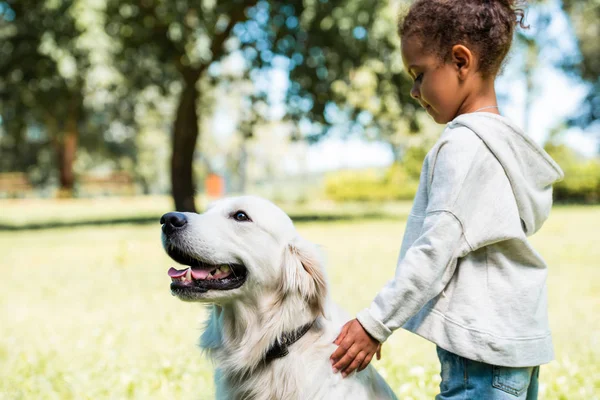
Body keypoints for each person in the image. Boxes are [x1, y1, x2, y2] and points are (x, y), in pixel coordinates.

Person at [329, 1, 564, 398]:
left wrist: (375, 323)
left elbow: (435, 249)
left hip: (481, 354)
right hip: (517, 343)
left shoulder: (464, 145)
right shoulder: (504, 144)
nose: (414, 90)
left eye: (419, 74)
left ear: (460, 61)